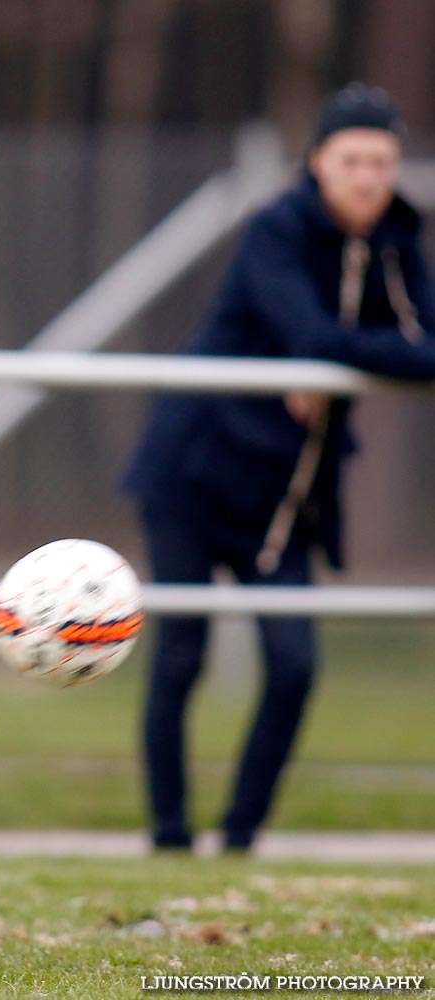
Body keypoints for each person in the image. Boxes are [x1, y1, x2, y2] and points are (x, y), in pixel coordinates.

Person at [123, 83, 435, 854]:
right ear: (319, 163)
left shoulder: (399, 239)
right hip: (193, 474)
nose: (368, 177)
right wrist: (323, 350)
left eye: (383, 162)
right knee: (182, 658)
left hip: (286, 499)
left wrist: (332, 354)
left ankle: (239, 838)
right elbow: (311, 328)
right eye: (353, 159)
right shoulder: (279, 228)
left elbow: (423, 345)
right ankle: (168, 838)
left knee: (294, 665)